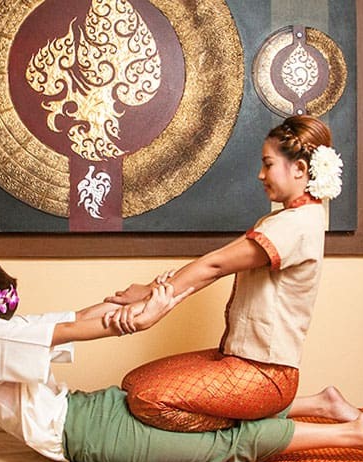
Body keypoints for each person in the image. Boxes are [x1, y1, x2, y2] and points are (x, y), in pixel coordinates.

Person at [0, 249, 363, 462]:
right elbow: (79, 317)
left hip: (86, 431)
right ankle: (320, 404)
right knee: (205, 419)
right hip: (89, 415)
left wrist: (145, 312)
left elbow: (79, 325)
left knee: (223, 447)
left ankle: (355, 434)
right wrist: (143, 302)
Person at [104, 115, 344, 432]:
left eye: (268, 164)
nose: (260, 174)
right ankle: (317, 403)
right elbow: (216, 262)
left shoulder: (295, 225)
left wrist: (153, 302)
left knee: (146, 399)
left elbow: (214, 266)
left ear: (299, 168)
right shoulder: (284, 220)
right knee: (134, 382)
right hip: (237, 358)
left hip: (265, 373)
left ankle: (255, 429)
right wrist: (151, 289)